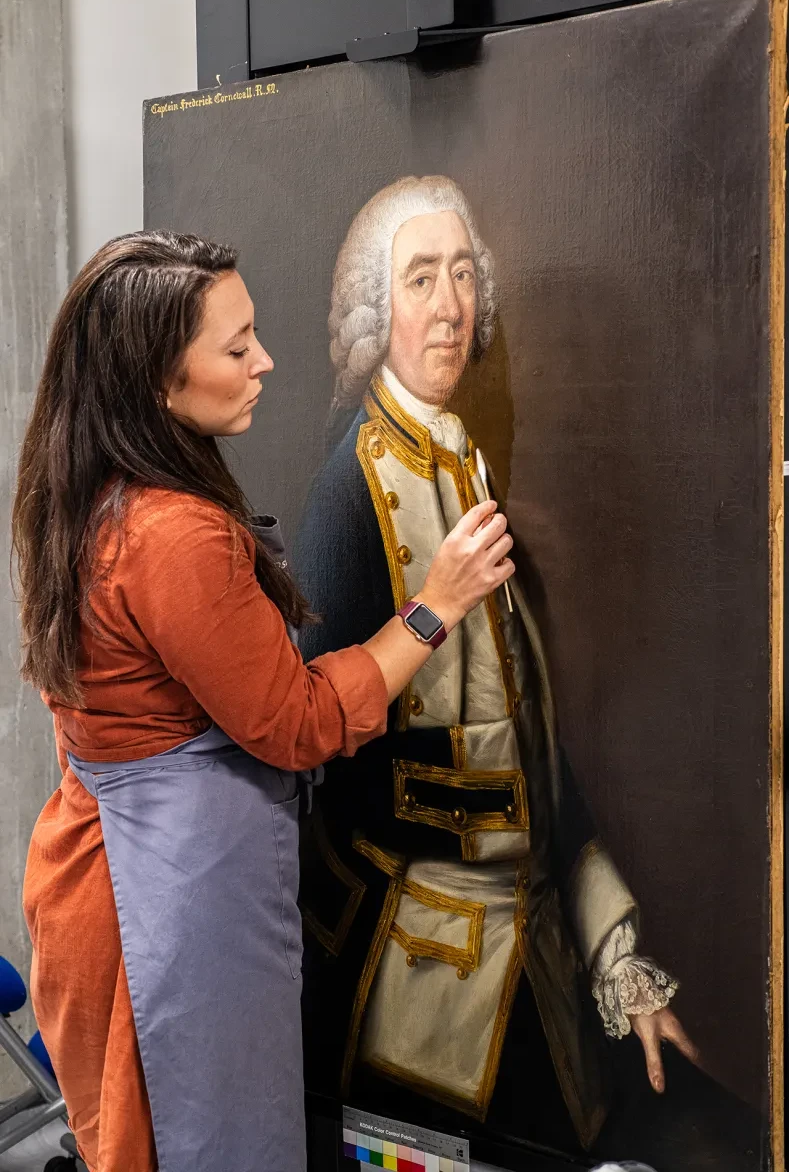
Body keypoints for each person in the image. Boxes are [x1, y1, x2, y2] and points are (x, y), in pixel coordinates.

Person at [11, 230, 514, 1172]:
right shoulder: (172, 533)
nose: (265, 362)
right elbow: (298, 722)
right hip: (168, 906)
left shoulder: (84, 490)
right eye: (236, 347)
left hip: (110, 869)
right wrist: (436, 605)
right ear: (158, 383)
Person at [294, 176, 697, 1154]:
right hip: (415, 976)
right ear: (376, 311)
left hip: (533, 950)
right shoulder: (347, 490)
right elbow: (316, 742)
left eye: (463, 274)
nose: (448, 305)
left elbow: (532, 753)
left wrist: (615, 952)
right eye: (420, 278)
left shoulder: (468, 463)